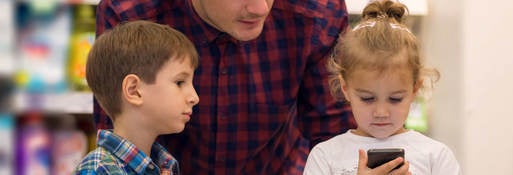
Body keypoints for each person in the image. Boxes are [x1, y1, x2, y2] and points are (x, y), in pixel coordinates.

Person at [93, 0, 356, 174]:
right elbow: (121, 138)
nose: (260, 8)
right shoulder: (130, 12)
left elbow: (334, 133)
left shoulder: (317, 11)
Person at [303, 0, 462, 175]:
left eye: (395, 99)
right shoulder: (324, 157)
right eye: (367, 98)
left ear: (415, 89)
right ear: (345, 88)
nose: (381, 112)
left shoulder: (436, 157)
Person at [75, 20, 200, 175]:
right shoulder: (100, 169)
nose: (194, 97)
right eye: (180, 82)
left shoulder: (164, 164)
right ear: (134, 90)